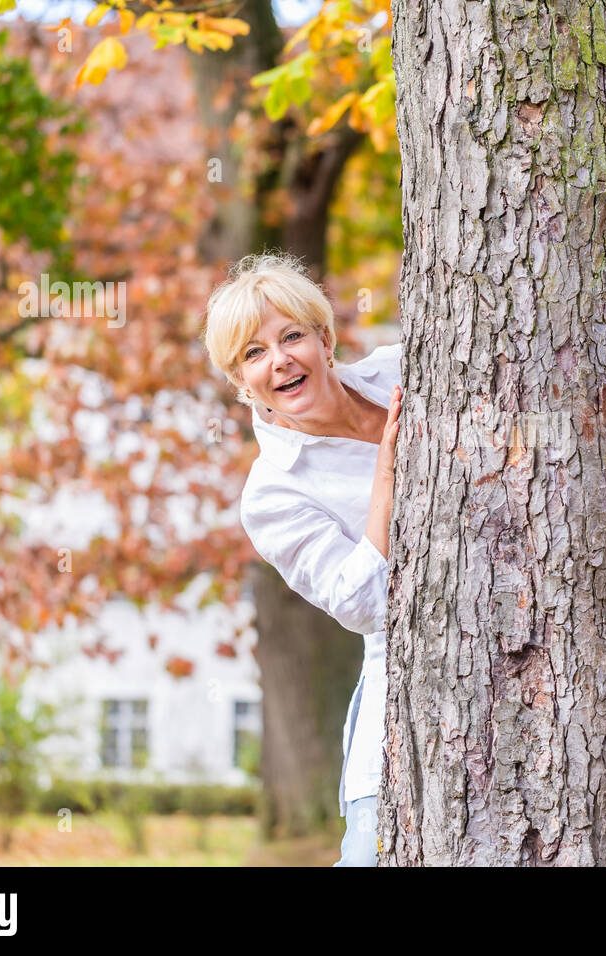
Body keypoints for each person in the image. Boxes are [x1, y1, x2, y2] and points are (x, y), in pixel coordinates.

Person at [203, 253, 401, 867]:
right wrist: (390, 473)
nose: (279, 360)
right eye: (253, 354)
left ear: (325, 338)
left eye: (291, 336)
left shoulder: (404, 371)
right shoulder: (271, 495)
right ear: (241, 382)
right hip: (406, 694)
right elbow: (365, 604)